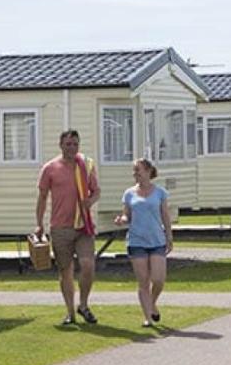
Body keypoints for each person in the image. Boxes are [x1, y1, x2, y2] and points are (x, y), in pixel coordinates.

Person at [35, 130, 101, 325]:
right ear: (61, 145)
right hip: (60, 227)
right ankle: (70, 312)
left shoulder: (86, 166)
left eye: (75, 144)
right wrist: (39, 224)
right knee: (66, 271)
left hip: (83, 226)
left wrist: (91, 200)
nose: (72, 147)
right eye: (68, 144)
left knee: (88, 265)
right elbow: (42, 197)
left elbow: (97, 191)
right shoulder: (50, 168)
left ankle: (84, 304)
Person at [114, 158, 173, 327]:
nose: (135, 174)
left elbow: (165, 216)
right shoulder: (129, 193)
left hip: (156, 240)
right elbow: (127, 215)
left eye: (138, 170)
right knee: (143, 281)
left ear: (148, 171)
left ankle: (152, 303)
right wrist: (121, 220)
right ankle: (147, 316)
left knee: (159, 279)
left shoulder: (160, 193)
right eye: (134, 171)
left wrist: (169, 236)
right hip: (136, 240)